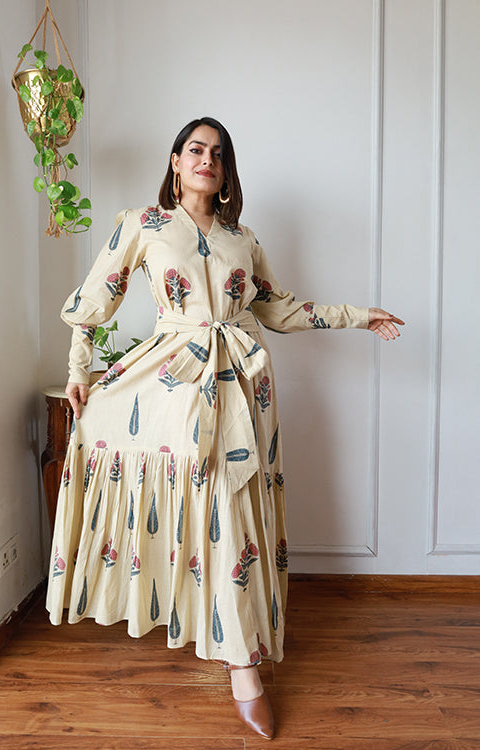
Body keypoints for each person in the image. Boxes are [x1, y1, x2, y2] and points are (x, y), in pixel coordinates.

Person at [46, 116, 404, 741]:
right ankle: (237, 661)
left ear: (226, 169)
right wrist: (79, 371)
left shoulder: (244, 239)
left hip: (243, 387)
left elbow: (282, 310)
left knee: (233, 509)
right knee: (200, 506)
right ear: (176, 160)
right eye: (195, 149)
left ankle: (239, 655)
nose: (206, 159)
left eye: (217, 152)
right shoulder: (143, 224)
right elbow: (92, 302)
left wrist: (359, 315)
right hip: (175, 385)